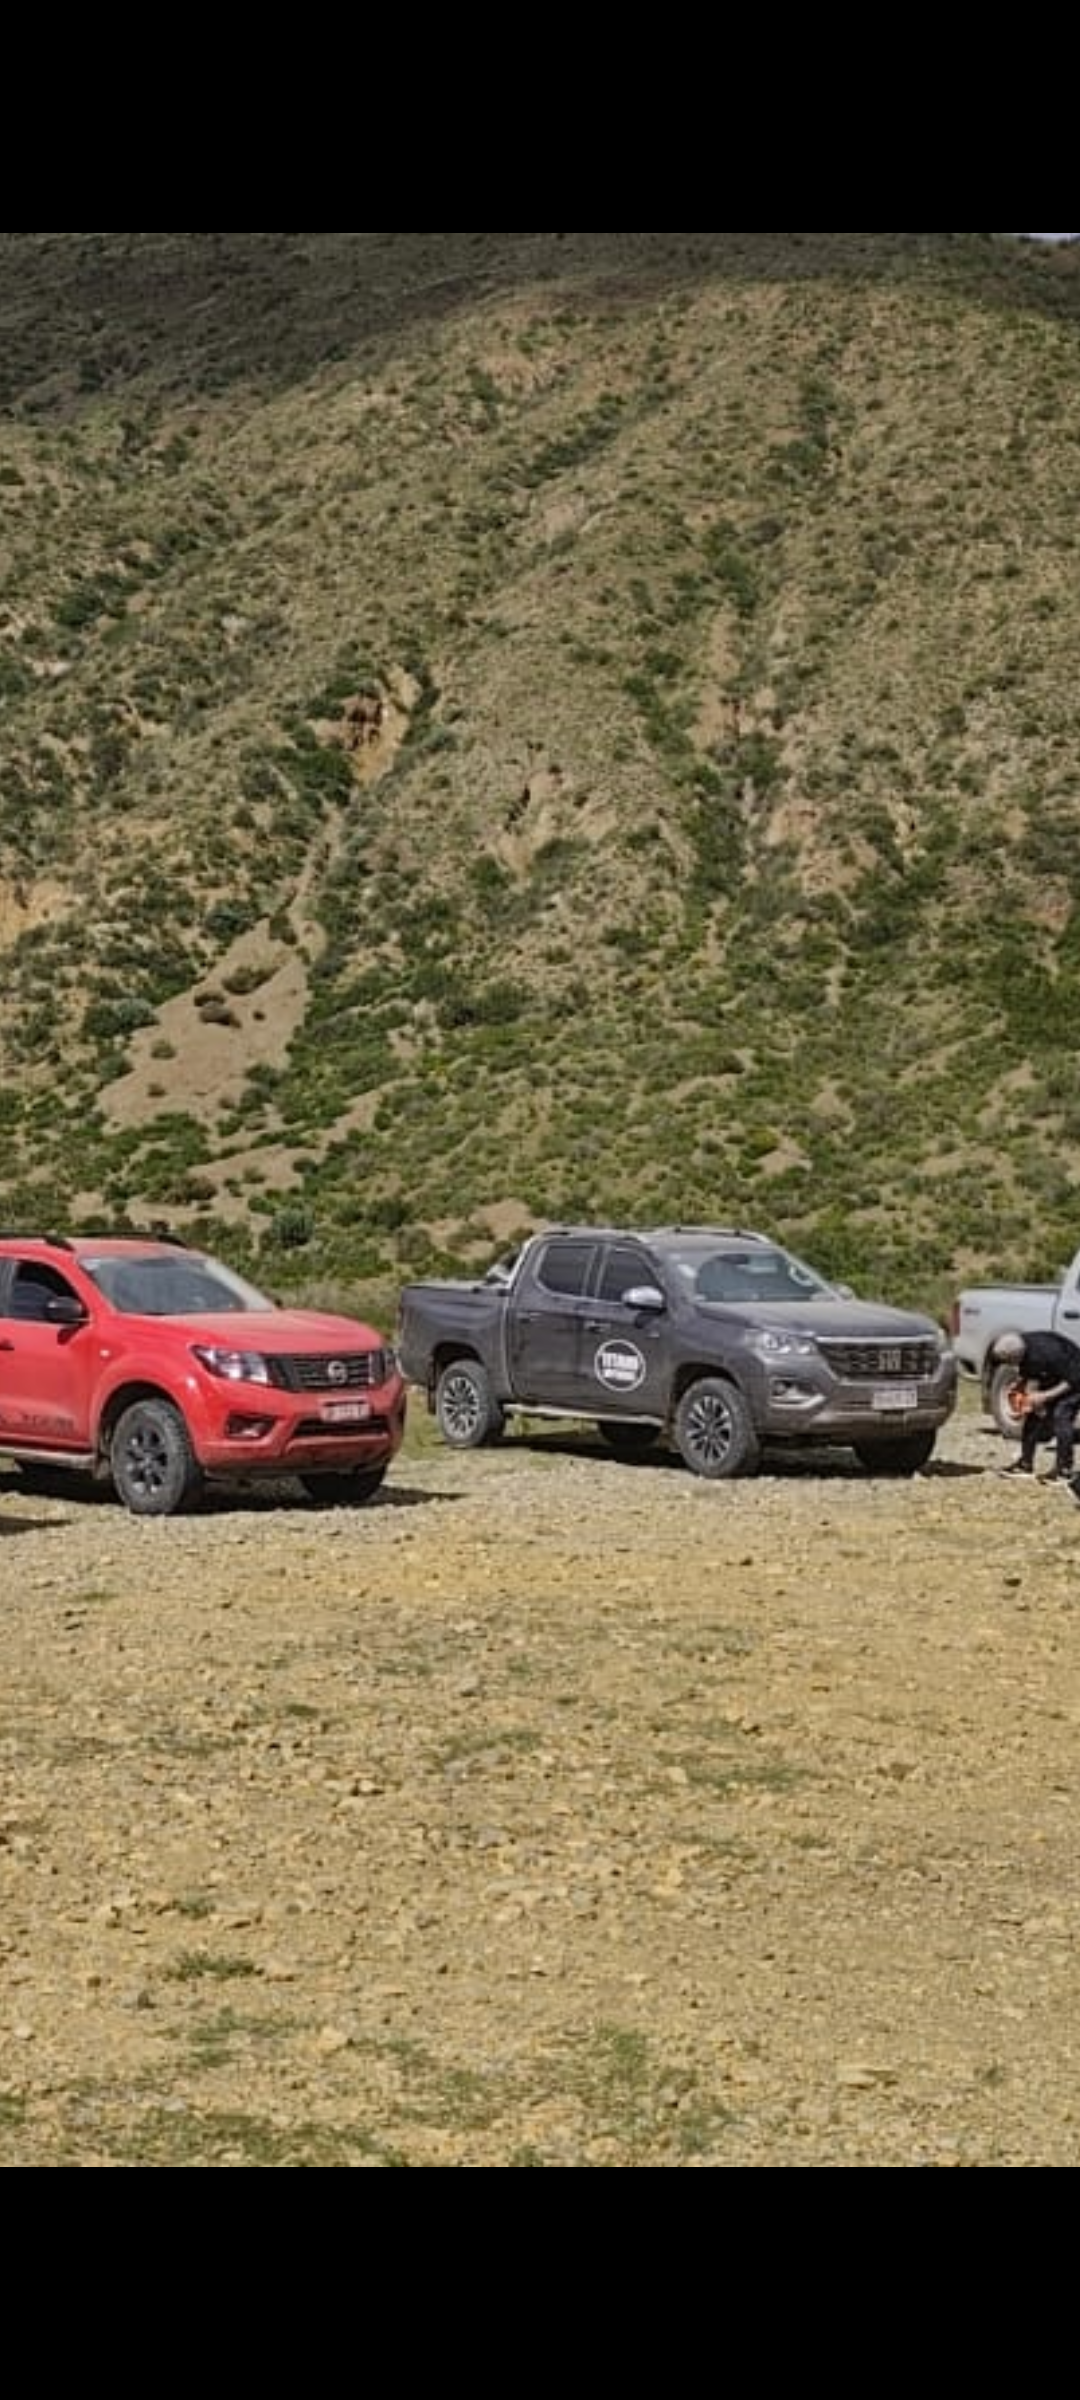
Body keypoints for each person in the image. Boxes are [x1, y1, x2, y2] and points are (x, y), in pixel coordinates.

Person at [993, 1329, 1080, 1494]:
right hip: (1055, 1375)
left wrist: (1045, 1396)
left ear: (1017, 1355)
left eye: (1010, 1361)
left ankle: (1064, 1470)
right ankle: (1025, 1464)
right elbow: (1032, 1378)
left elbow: (1073, 1380)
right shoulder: (1022, 1350)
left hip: (1075, 1377)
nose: (1010, 1365)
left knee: (1061, 1416)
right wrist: (1025, 1401)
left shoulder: (1049, 1353)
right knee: (1032, 1415)